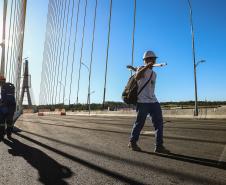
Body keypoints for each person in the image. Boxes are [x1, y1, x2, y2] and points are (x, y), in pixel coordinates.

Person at [128, 50, 169, 153]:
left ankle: (159, 146)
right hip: (142, 102)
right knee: (139, 123)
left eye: (154, 59)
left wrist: (133, 68)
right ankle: (132, 142)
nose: (154, 61)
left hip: (153, 101)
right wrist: (145, 66)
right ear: (147, 60)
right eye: (152, 59)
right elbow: (137, 76)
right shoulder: (141, 69)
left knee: (159, 123)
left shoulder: (154, 74)